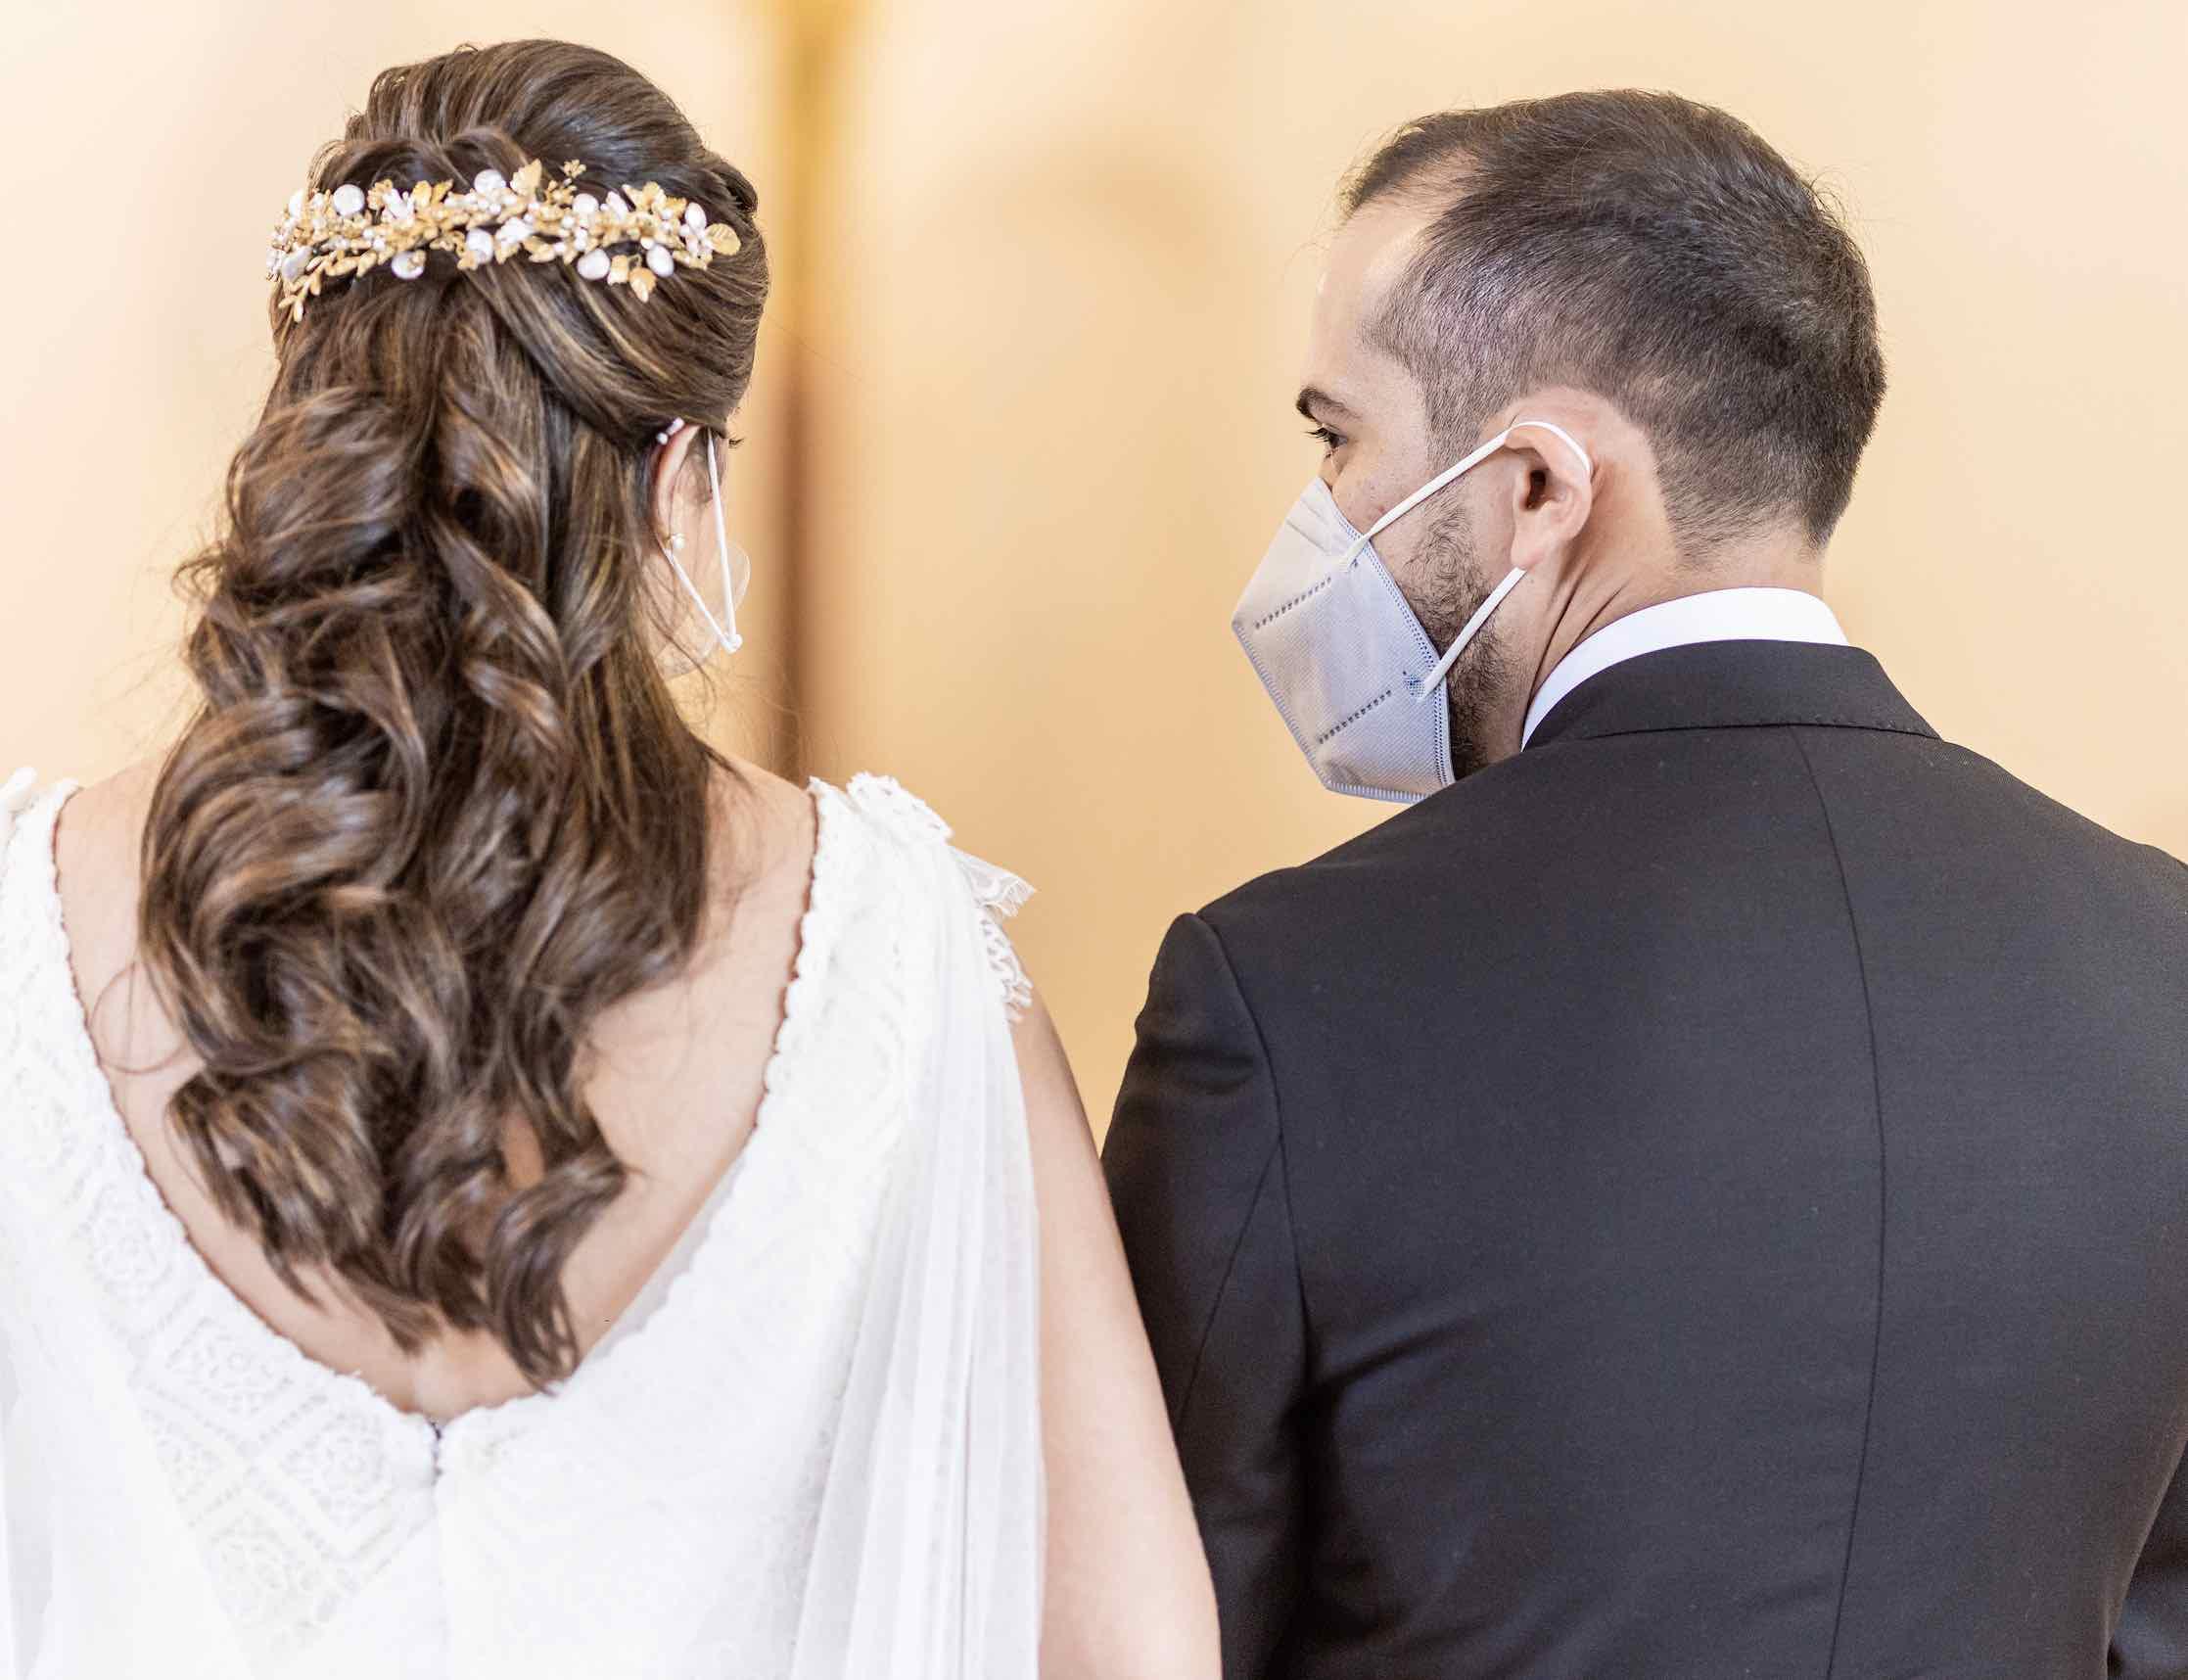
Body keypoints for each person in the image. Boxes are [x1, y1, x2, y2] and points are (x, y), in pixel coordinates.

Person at [0, 39, 1215, 1680]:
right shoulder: (901, 949)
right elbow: (1131, 1647)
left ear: (313, 421)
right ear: (678, 475)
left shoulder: (27, 919)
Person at [1103, 88, 2188, 1679]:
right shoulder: (2164, 956)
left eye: (1338, 438)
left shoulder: (1280, 992)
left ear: (1541, 487)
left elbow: (1139, 1626)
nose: (1318, 515)